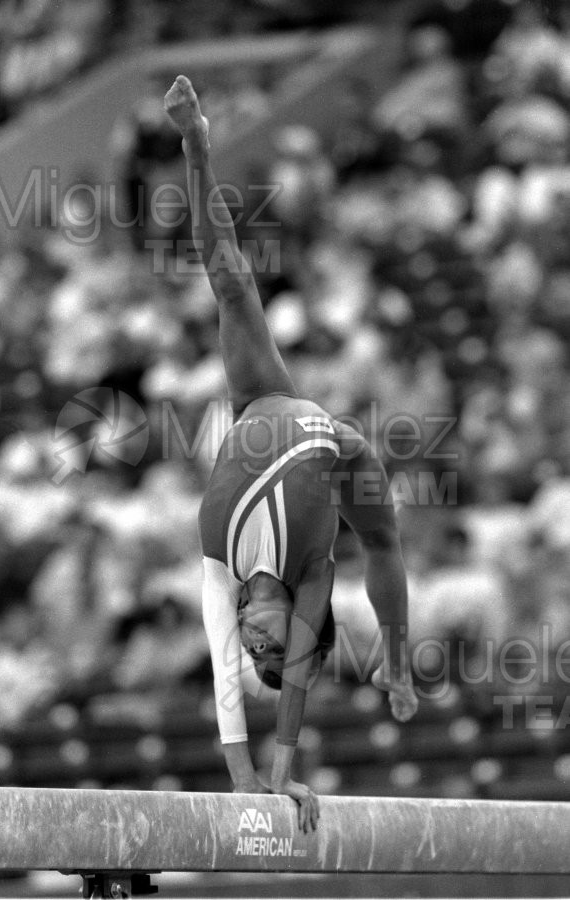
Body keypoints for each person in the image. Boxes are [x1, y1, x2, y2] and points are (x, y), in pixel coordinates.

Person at [164, 75, 418, 832]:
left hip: (259, 413)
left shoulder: (218, 571)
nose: (250, 639)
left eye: (254, 649)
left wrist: (253, 782)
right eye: (269, 647)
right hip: (336, 449)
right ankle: (398, 656)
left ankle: (194, 150)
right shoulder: (312, 579)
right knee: (380, 535)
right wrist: (286, 771)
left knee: (232, 287)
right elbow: (294, 688)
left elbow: (224, 684)